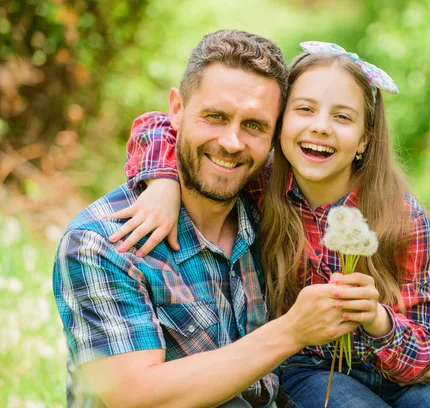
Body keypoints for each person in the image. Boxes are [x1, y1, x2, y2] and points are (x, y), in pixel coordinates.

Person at [109, 41, 430, 407]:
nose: (320, 127)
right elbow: (157, 124)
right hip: (309, 369)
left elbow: (427, 354)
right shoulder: (261, 185)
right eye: (305, 109)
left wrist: (378, 318)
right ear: (279, 124)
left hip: (397, 376)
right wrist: (162, 180)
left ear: (365, 139)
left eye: (342, 116)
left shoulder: (398, 215)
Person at [52, 30, 362, 408]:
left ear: (274, 133)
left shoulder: (271, 211)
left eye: (254, 125)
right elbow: (134, 395)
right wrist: (291, 332)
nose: (232, 142)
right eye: (215, 117)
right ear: (177, 110)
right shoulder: (103, 242)